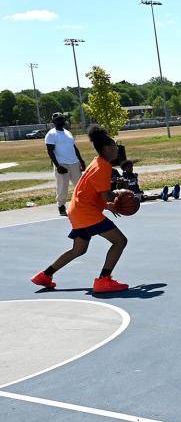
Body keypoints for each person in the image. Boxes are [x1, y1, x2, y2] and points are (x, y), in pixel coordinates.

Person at [31, 126, 130, 293]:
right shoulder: (104, 166)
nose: (117, 149)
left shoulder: (96, 163)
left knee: (79, 249)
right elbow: (105, 195)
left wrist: (107, 204)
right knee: (120, 241)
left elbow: (91, 192)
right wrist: (119, 194)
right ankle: (103, 280)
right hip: (86, 213)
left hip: (76, 211)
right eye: (114, 145)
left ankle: (45, 275)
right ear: (107, 148)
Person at [45, 112, 86, 216]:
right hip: (62, 164)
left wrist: (81, 160)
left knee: (80, 186)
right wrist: (58, 166)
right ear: (53, 122)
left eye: (62, 119)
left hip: (74, 162)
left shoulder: (68, 133)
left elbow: (74, 147)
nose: (61, 121)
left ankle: (81, 204)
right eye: (58, 119)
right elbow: (50, 151)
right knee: (63, 187)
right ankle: (61, 206)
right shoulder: (51, 134)